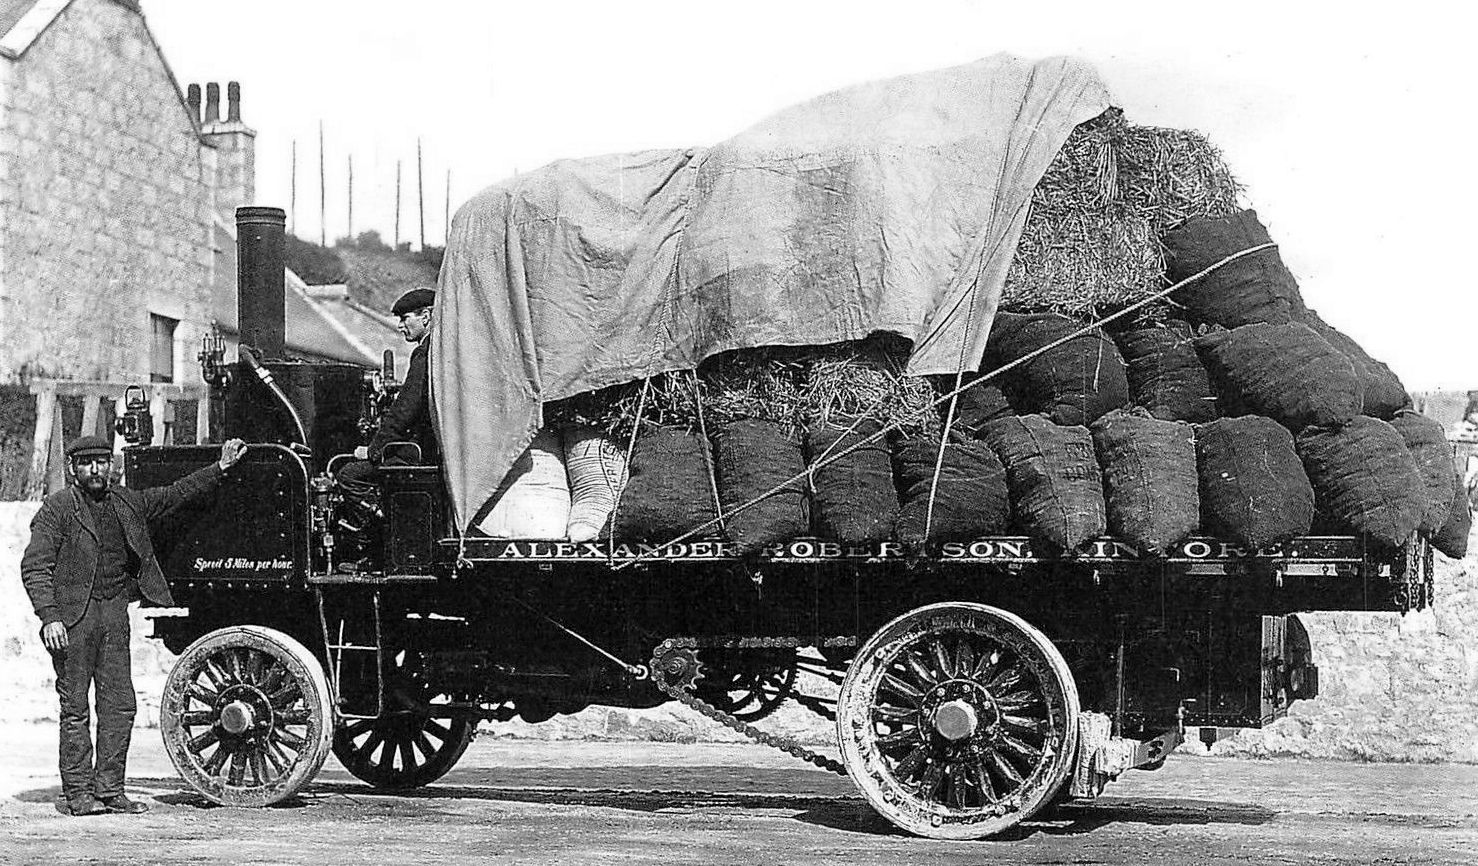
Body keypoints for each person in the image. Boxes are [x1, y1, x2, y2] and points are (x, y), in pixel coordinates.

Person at [21, 434, 247, 817]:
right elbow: (34, 567)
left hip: (113, 615)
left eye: (103, 462)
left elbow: (176, 494)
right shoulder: (57, 509)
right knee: (75, 709)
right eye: (88, 464)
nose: (97, 470)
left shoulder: (127, 501)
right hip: (73, 620)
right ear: (73, 470)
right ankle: (78, 795)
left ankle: (110, 791)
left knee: (120, 706)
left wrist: (219, 468)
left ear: (111, 466)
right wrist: (50, 617)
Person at [336, 287, 438, 563]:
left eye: (406, 318)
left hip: (419, 454)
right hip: (430, 449)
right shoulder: (440, 350)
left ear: (426, 317)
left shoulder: (425, 353)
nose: (401, 325)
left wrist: (372, 450)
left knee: (348, 474)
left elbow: (403, 411)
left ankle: (375, 545)